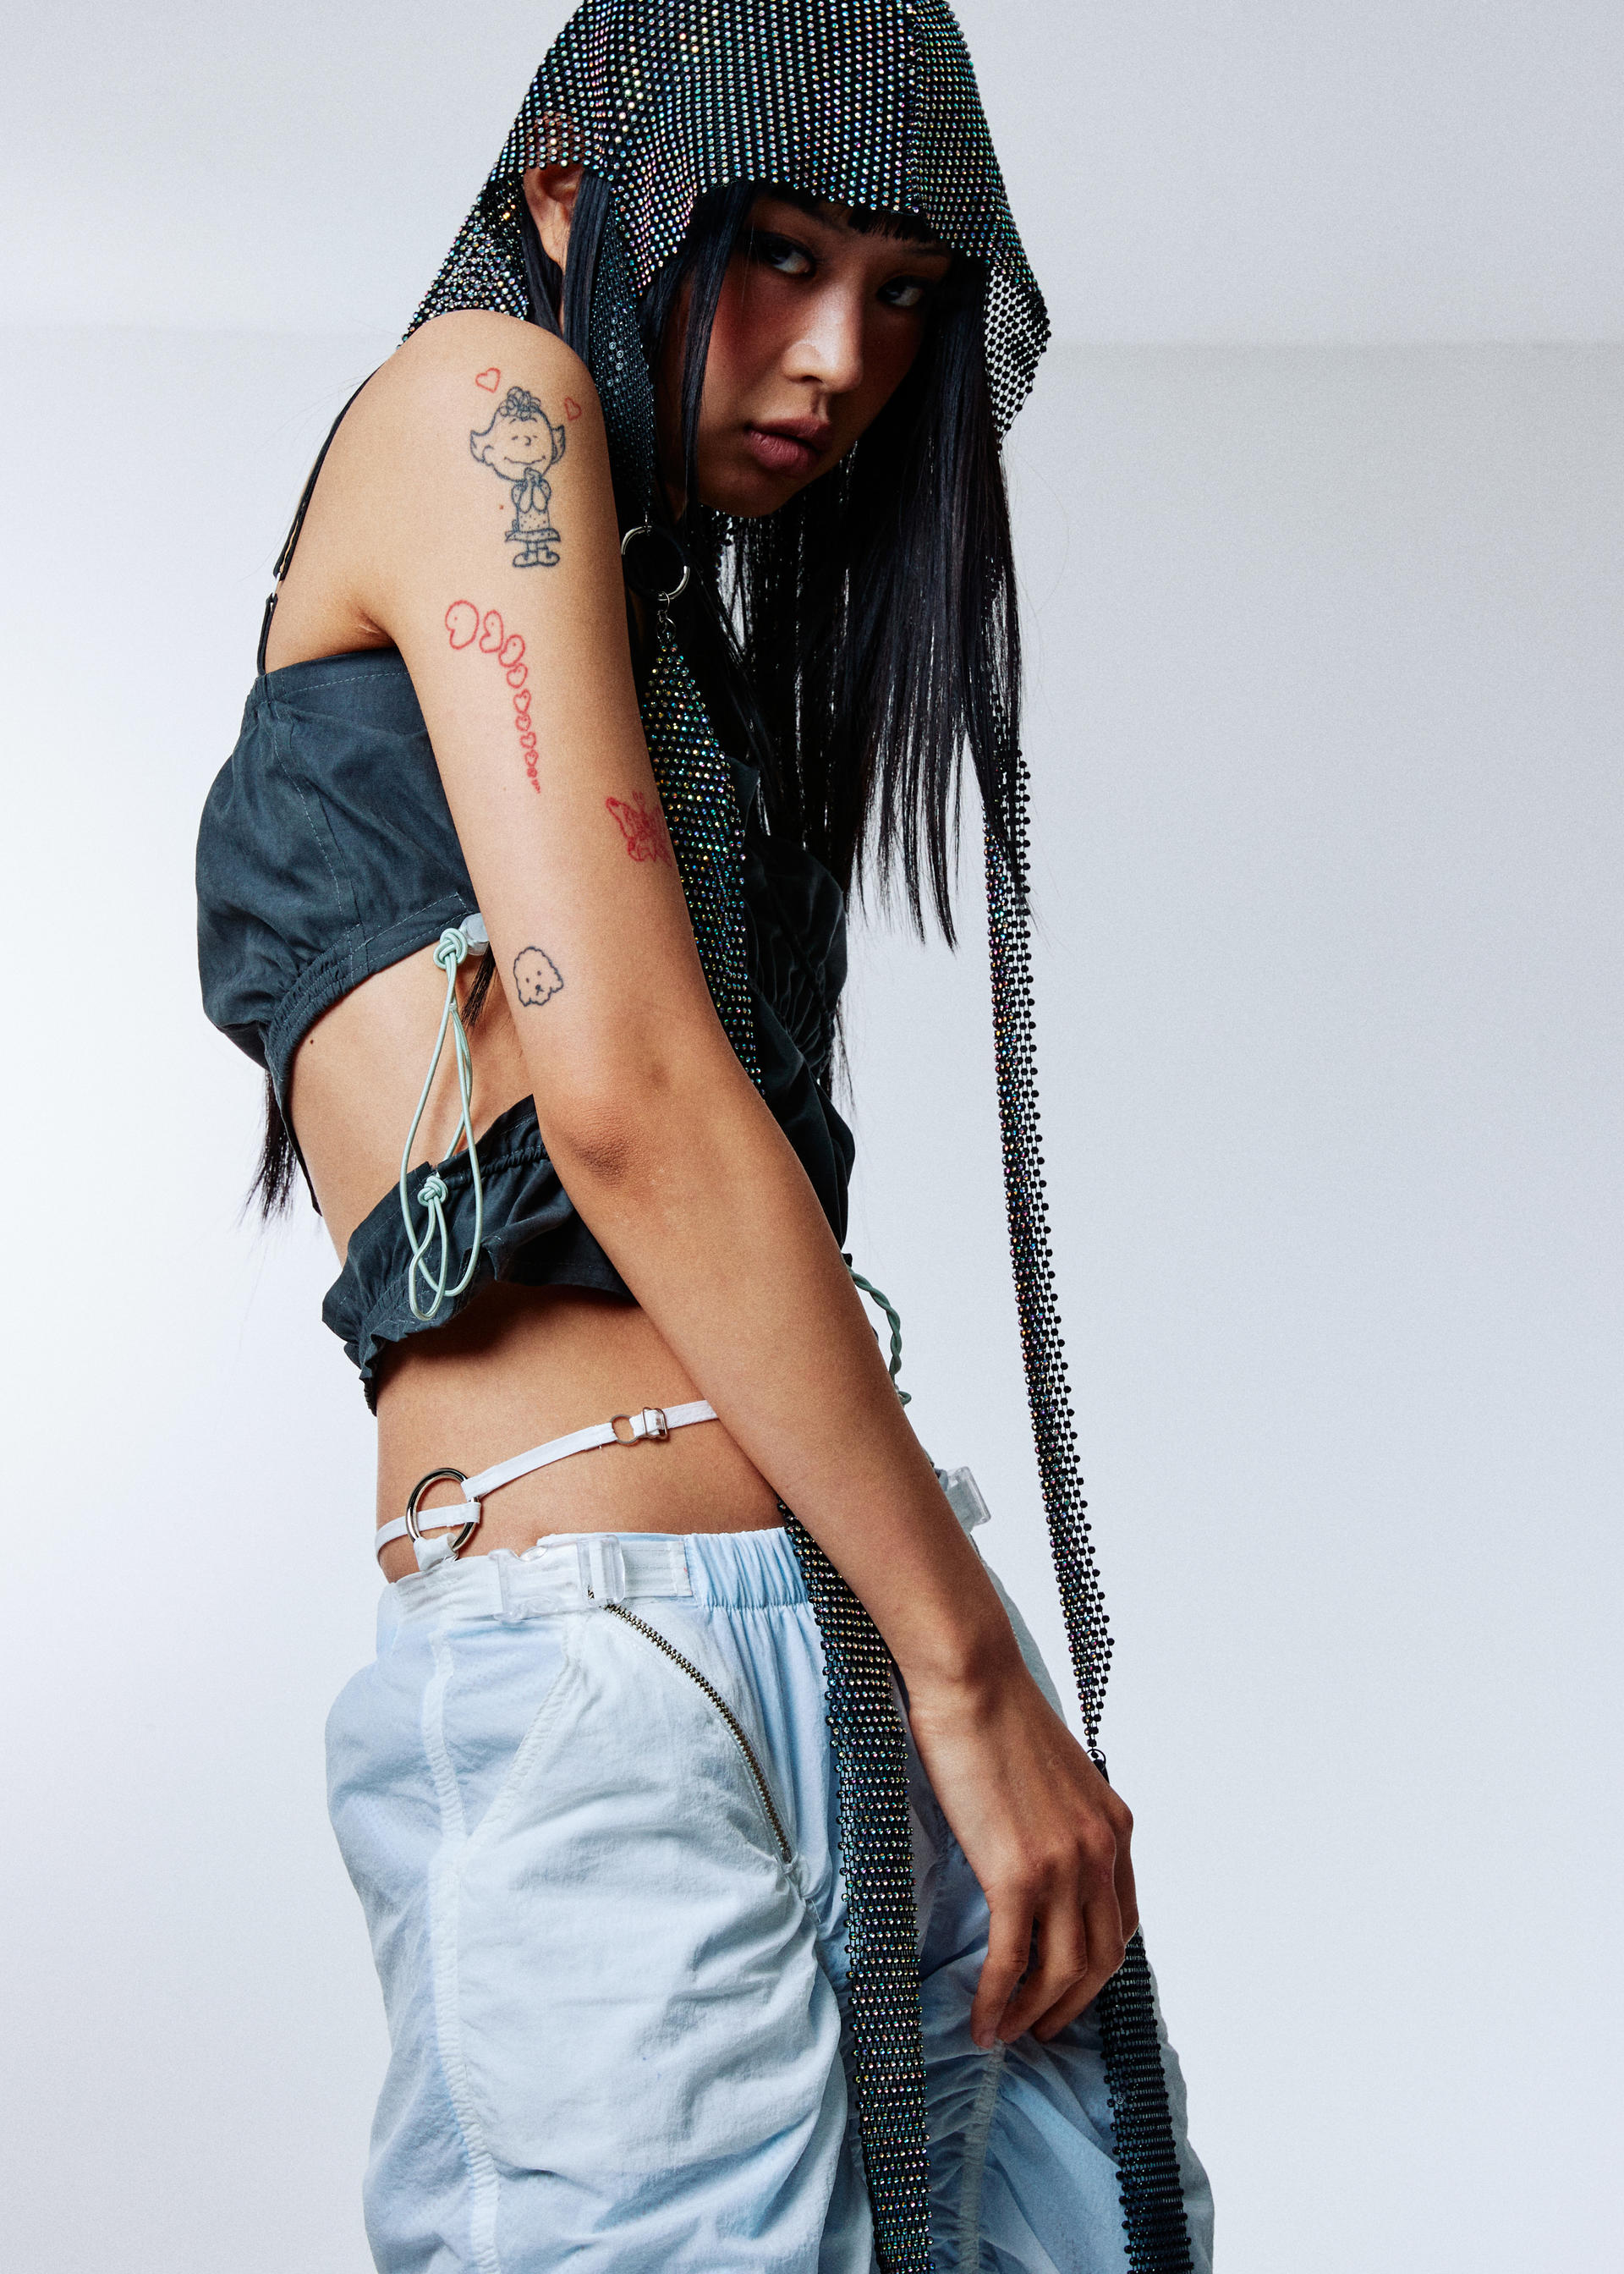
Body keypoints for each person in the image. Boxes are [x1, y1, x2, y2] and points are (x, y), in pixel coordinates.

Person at [196, 3, 1213, 2267]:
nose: (842, 360)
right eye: (775, 253)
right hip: (628, 1666)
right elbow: (632, 1102)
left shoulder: (675, 615)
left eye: (905, 293)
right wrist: (978, 1678)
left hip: (863, 1605)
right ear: (574, 183)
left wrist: (951, 1657)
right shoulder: (484, 403)